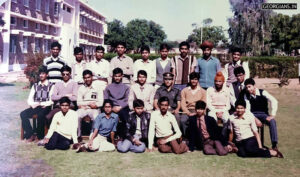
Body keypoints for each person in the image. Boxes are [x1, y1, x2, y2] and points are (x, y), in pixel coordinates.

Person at [243, 78, 280, 149]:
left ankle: (274, 145)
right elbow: (248, 110)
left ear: (254, 86)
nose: (248, 89)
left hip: (263, 114)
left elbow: (274, 101)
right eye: (246, 87)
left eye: (249, 86)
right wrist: (255, 119)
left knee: (272, 121)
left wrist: (272, 114)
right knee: (248, 122)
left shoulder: (262, 92)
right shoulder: (246, 96)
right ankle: (254, 144)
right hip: (253, 115)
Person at [20, 67, 54, 142]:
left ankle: (40, 136)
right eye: (40, 74)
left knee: (40, 115)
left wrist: (42, 104)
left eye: (43, 74)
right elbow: (29, 99)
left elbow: (51, 100)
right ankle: (30, 134)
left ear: (47, 75)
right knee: (23, 114)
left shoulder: (51, 85)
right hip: (35, 106)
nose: (41, 75)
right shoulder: (35, 86)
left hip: (46, 107)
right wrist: (33, 104)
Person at [104, 68, 130, 138]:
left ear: (122, 76)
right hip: (111, 107)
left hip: (122, 107)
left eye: (119, 76)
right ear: (113, 76)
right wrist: (111, 108)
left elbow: (128, 100)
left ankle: (124, 135)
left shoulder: (126, 87)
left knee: (124, 116)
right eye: (115, 76)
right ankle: (109, 135)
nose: (117, 78)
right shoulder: (108, 87)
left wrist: (120, 107)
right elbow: (106, 99)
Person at [77, 69, 103, 138]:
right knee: (77, 115)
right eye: (85, 78)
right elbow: (78, 102)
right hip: (84, 108)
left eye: (88, 77)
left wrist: (95, 105)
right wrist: (88, 103)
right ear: (83, 79)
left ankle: (93, 136)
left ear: (92, 77)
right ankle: (78, 136)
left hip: (94, 108)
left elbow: (101, 102)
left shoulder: (98, 88)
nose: (87, 79)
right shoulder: (81, 88)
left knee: (96, 117)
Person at [180, 72, 206, 137]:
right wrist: (188, 113)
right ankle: (186, 136)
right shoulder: (184, 90)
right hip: (187, 111)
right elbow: (183, 104)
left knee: (197, 121)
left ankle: (198, 137)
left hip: (198, 111)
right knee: (182, 120)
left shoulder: (203, 91)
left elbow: (204, 104)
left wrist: (197, 112)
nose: (193, 81)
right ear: (189, 80)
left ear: (198, 80)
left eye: (195, 79)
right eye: (192, 79)